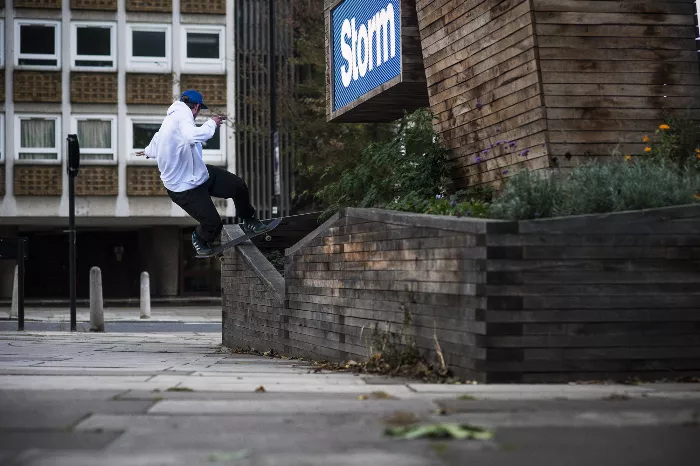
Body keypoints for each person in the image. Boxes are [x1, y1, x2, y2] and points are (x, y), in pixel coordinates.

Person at [136, 90, 266, 256]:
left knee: (238, 186)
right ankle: (199, 238)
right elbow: (192, 136)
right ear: (196, 107)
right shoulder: (183, 117)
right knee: (212, 223)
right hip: (183, 189)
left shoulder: (169, 122)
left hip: (198, 174)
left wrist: (146, 151)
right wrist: (212, 123)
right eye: (199, 111)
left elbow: (155, 145)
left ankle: (248, 220)